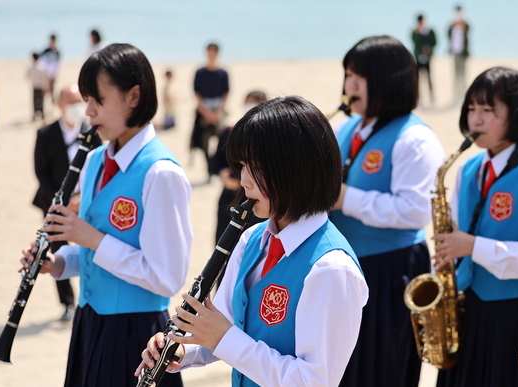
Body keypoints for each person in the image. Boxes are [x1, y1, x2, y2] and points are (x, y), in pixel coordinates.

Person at [136, 95, 369, 387]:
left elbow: (315, 381)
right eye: (242, 165)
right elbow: (228, 327)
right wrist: (184, 350)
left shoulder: (332, 269)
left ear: (296, 171)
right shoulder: (250, 240)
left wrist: (224, 337)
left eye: (255, 168)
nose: (243, 179)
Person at [19, 43, 192, 387]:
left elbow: (168, 278)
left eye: (97, 100)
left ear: (133, 96)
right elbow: (93, 248)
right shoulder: (95, 160)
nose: (89, 111)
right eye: (86, 100)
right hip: (89, 323)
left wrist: (90, 238)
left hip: (137, 335)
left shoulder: (161, 173)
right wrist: (60, 262)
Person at [433, 66, 518, 387]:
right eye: (471, 109)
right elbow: (455, 233)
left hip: (513, 317)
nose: (475, 120)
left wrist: (471, 247)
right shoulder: (468, 168)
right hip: (464, 312)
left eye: (488, 110)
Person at [330, 35, 444, 387]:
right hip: (347, 267)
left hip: (390, 270)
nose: (349, 86)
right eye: (347, 75)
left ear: (387, 81)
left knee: (382, 369)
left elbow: (413, 211)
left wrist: (344, 197)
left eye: (358, 77)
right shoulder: (348, 126)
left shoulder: (415, 139)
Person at [33, 85, 103, 321]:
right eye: (70, 101)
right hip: (56, 203)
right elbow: (41, 172)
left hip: (87, 201)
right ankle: (68, 303)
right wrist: (63, 201)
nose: (76, 107)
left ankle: (91, 295)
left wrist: (82, 198)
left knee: (90, 247)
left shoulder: (93, 132)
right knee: (57, 250)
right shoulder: (45, 134)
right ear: (58, 104)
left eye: (78, 101)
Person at [210, 90, 267, 244]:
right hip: (229, 194)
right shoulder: (229, 131)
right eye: (248, 102)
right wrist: (224, 176)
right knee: (223, 239)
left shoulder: (268, 139)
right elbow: (215, 162)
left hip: (256, 196)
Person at [190, 43, 229, 181]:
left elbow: (226, 94)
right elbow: (196, 94)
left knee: (223, 139)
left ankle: (218, 168)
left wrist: (218, 112)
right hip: (203, 111)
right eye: (209, 53)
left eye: (213, 53)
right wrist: (206, 113)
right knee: (202, 143)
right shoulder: (200, 72)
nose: (211, 56)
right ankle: (209, 171)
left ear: (217, 54)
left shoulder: (223, 73)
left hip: (219, 112)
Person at [412, 14, 437, 105]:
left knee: (429, 78)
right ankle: (419, 98)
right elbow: (414, 41)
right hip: (418, 58)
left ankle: (432, 97)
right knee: (417, 79)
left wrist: (428, 48)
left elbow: (434, 41)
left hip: (427, 58)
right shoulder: (415, 32)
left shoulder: (429, 31)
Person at [448, 5, 470, 103]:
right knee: (456, 74)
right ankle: (456, 96)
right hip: (455, 52)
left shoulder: (465, 25)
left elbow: (468, 31)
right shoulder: (452, 25)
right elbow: (448, 35)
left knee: (463, 74)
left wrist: (462, 25)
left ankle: (464, 95)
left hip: (463, 53)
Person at [27, 53, 48, 121]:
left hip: (35, 86)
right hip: (41, 86)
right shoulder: (42, 67)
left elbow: (28, 75)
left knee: (34, 101)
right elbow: (45, 77)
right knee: (41, 100)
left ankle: (35, 114)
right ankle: (42, 114)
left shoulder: (31, 67)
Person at [40, 34, 61, 104]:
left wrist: (55, 74)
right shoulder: (46, 51)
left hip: (52, 75)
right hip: (45, 75)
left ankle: (51, 106)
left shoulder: (57, 52)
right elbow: (41, 62)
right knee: (44, 92)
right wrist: (45, 74)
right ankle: (43, 107)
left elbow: (58, 64)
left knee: (52, 92)